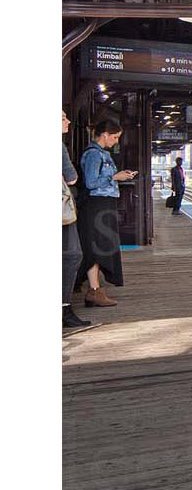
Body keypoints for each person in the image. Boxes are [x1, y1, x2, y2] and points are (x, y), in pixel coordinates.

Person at [77, 119, 137, 307]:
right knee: (97, 248)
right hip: (96, 206)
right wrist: (114, 176)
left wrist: (119, 176)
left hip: (103, 206)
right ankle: (94, 291)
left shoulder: (102, 153)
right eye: (115, 137)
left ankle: (95, 290)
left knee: (99, 248)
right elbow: (91, 182)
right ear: (104, 135)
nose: (116, 141)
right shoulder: (94, 154)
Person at [62, 111, 89, 329]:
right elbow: (71, 177)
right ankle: (64, 309)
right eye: (62, 118)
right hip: (61, 212)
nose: (68, 121)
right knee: (72, 255)